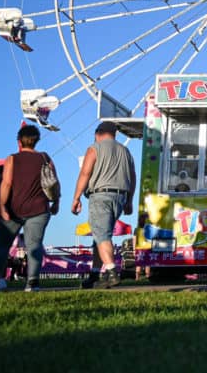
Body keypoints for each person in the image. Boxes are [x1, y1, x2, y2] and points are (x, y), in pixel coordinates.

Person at [0, 124, 59, 292]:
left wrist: (2, 206)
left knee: (3, 246)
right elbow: (53, 181)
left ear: (19, 142)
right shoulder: (45, 158)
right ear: (36, 141)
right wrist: (56, 202)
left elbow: (6, 184)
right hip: (40, 209)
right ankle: (32, 282)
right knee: (34, 245)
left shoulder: (12, 159)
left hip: (14, 209)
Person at [71, 121, 136, 289]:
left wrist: (76, 197)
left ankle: (113, 273)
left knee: (102, 235)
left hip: (100, 195)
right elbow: (132, 177)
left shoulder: (94, 148)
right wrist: (129, 200)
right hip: (120, 197)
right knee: (99, 237)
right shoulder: (125, 151)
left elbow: (85, 173)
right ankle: (95, 274)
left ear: (98, 133)